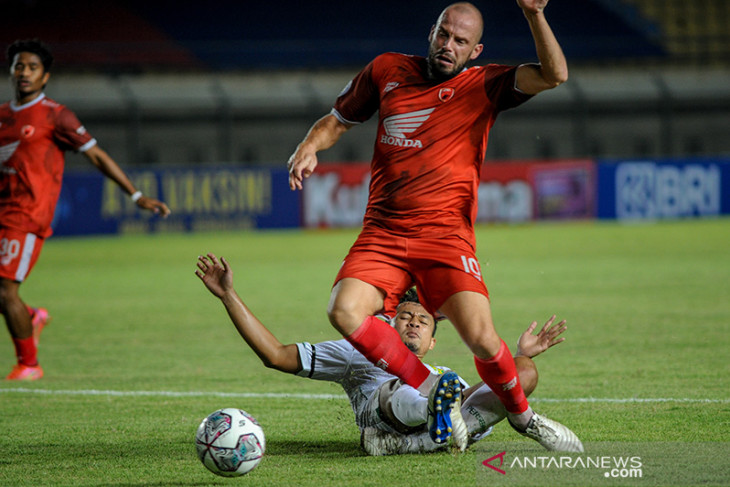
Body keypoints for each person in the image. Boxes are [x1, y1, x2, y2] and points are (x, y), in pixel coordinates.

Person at [286, 1, 582, 451]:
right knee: (342, 310)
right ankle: (429, 389)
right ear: (432, 32)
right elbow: (338, 119)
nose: (448, 46)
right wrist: (310, 145)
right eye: (444, 35)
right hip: (383, 231)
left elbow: (554, 74)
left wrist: (535, 15)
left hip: (446, 237)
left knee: (484, 340)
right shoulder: (386, 70)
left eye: (460, 41)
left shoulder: (485, 84)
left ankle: (525, 419)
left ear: (475, 49)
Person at [195, 252, 575, 455]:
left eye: (422, 322)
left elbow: (499, 378)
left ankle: (414, 443)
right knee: (404, 388)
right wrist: (229, 295)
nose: (411, 323)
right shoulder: (354, 352)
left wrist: (521, 358)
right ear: (387, 326)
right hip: (386, 410)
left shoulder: (439, 369)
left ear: (431, 343)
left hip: (439, 408)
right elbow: (276, 355)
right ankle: (431, 422)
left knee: (522, 371)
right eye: (404, 317)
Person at [1, 39, 171, 381]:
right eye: (19, 65)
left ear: (45, 76)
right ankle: (32, 317)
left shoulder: (55, 115)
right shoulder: (3, 116)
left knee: (5, 290)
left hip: (27, 215)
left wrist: (136, 195)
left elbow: (97, 155)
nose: (24, 73)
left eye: (33, 67)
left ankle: (29, 365)